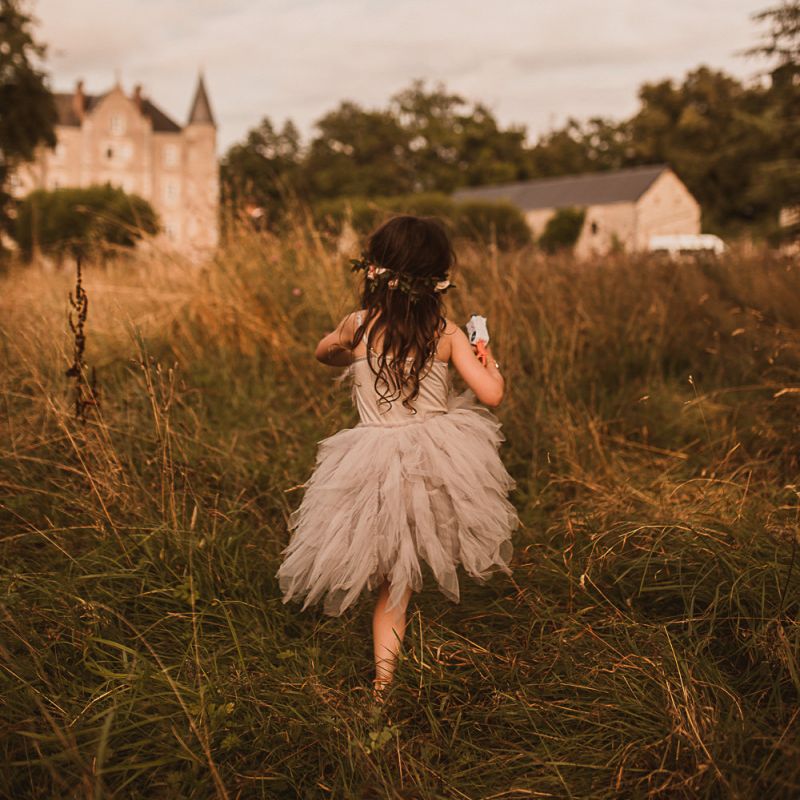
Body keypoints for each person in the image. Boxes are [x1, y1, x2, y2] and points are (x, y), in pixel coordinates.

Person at [275, 214, 520, 703]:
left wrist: (348, 348)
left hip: (372, 456)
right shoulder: (447, 333)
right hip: (437, 457)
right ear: (437, 276)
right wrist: (486, 355)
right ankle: (387, 677)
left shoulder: (359, 326)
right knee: (406, 560)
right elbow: (491, 395)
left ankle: (384, 683)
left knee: (389, 566)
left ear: (374, 270)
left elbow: (324, 353)